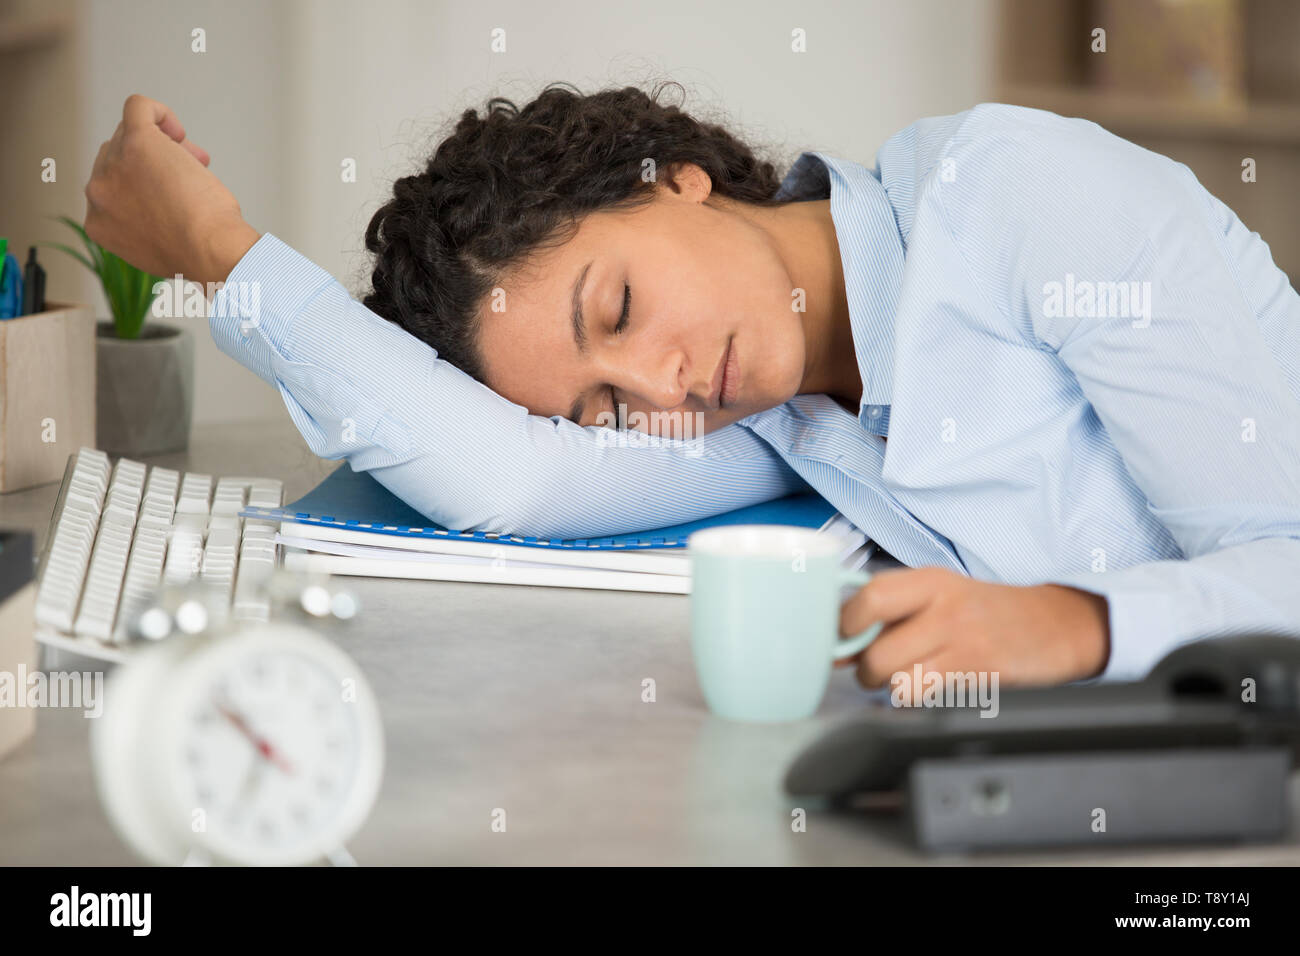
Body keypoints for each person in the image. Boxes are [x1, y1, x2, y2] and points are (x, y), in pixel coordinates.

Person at [82, 85, 1300, 693]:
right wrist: (221, 253)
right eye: (603, 403)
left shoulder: (1015, 200)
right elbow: (511, 471)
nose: (657, 388)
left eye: (613, 309)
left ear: (677, 180)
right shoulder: (781, 416)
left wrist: (1073, 622)